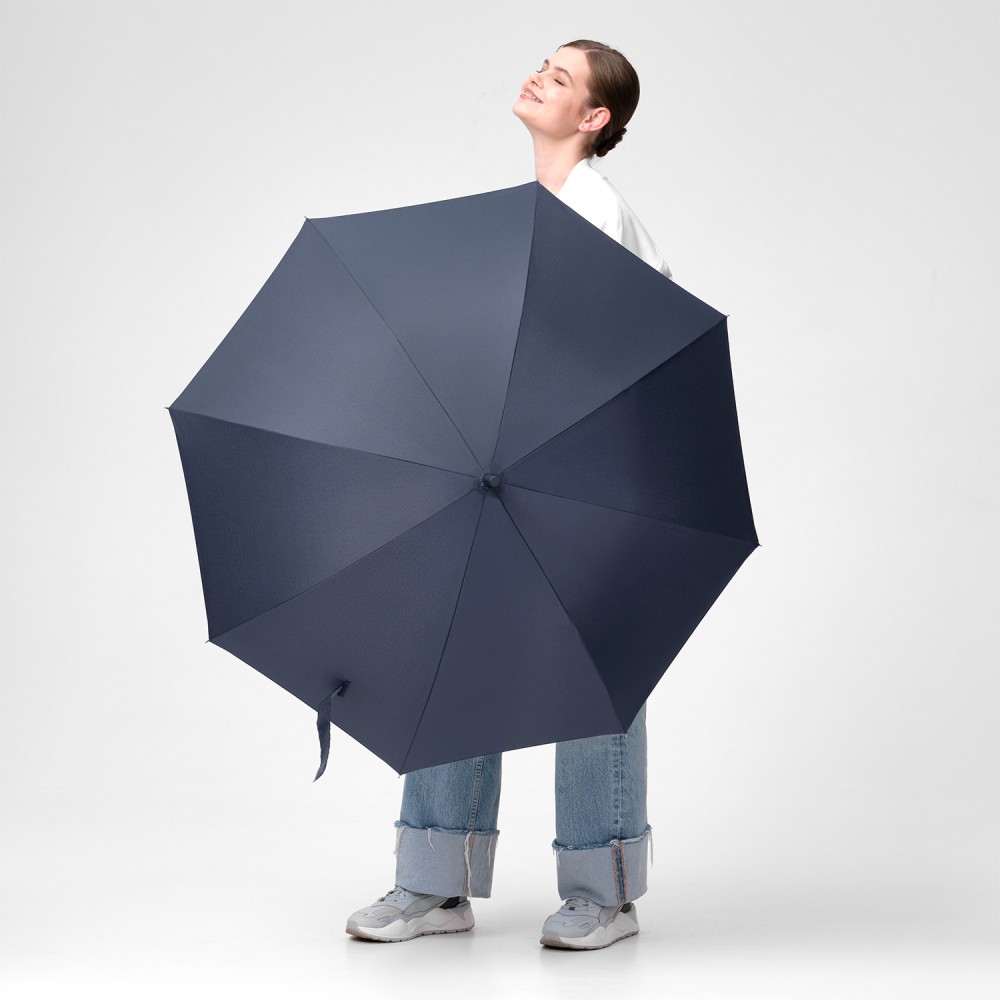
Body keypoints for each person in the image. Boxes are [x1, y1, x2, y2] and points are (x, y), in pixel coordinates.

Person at [345, 39, 672, 951]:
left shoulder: (595, 213)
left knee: (595, 674)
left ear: (594, 118)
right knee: (460, 651)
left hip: (592, 478)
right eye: (543, 66)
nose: (539, 77)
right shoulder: (535, 210)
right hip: (510, 464)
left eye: (562, 78)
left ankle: (604, 894)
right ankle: (434, 884)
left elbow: (593, 358)